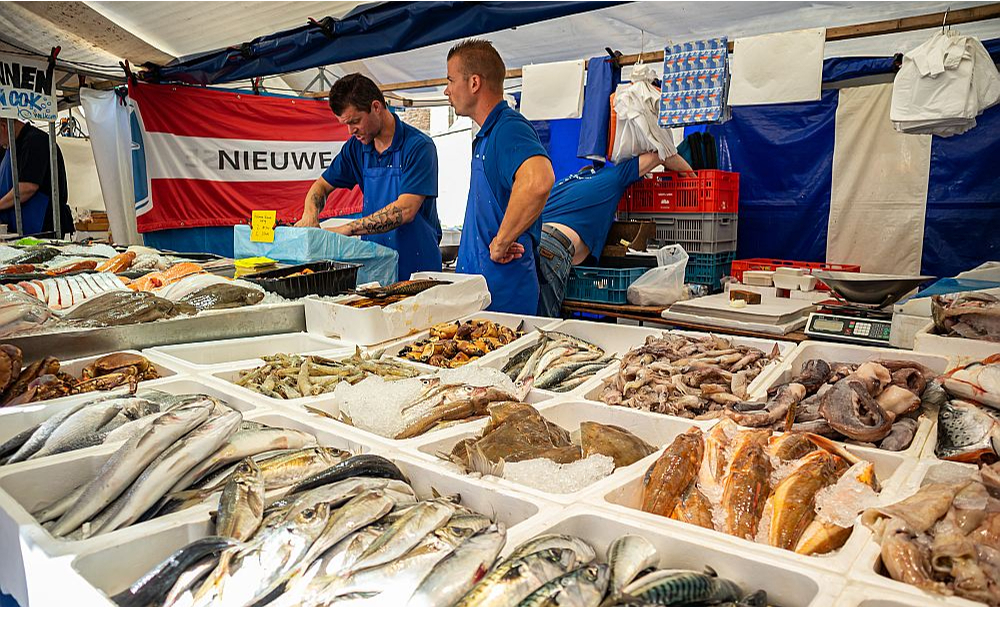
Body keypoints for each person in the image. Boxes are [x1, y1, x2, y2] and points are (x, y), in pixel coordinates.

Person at [295, 73, 442, 281]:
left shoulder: (419, 147)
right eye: (345, 124)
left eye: (355, 121)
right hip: (376, 269)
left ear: (376, 107)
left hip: (418, 270)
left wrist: (347, 229)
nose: (350, 131)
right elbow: (320, 186)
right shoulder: (356, 148)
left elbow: (406, 209)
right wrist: (310, 215)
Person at [444, 40, 555, 315]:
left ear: (474, 83)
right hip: (480, 292)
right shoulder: (486, 135)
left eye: (450, 80)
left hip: (502, 297)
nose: (446, 90)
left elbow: (538, 180)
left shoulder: (508, 127)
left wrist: (502, 241)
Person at [537, 151, 693, 317]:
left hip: (530, 242)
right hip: (553, 247)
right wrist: (693, 178)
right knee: (543, 325)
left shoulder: (561, 185)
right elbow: (661, 153)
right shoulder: (613, 177)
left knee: (523, 322)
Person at [0, 118, 72, 237]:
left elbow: (27, 187)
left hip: (43, 228)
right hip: (19, 228)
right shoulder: (11, 146)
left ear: (3, 127)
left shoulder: (36, 142)